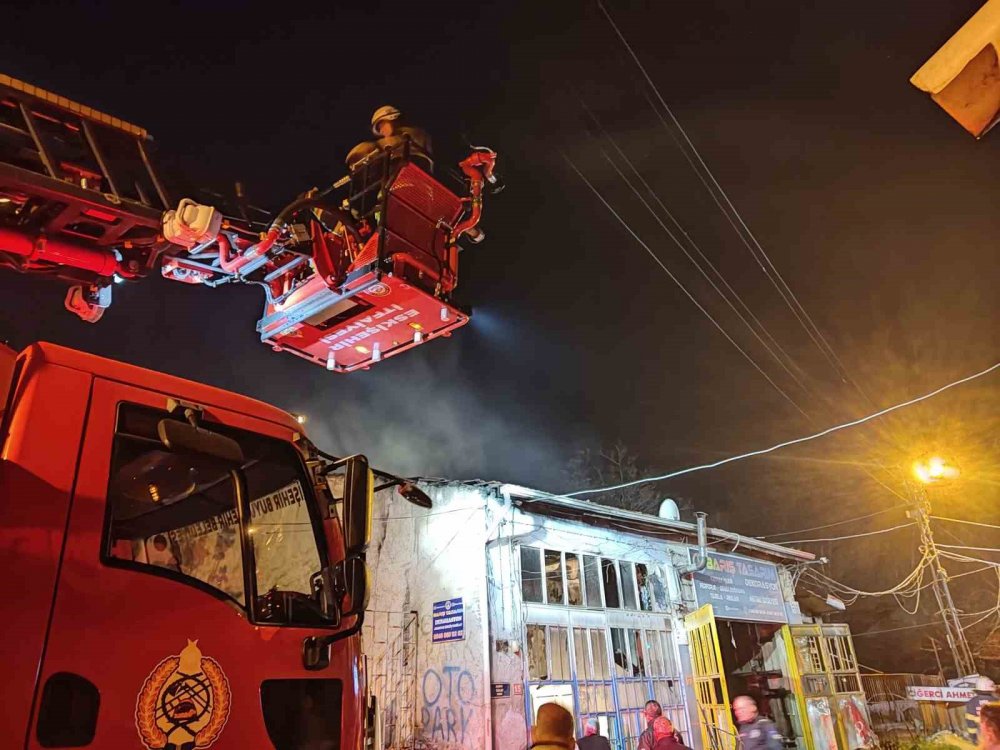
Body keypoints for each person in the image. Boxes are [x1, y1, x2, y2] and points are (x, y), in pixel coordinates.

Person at [967, 677, 999, 743]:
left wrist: (973, 737)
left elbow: (970, 721)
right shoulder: (996, 701)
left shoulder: (972, 702)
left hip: (981, 734)